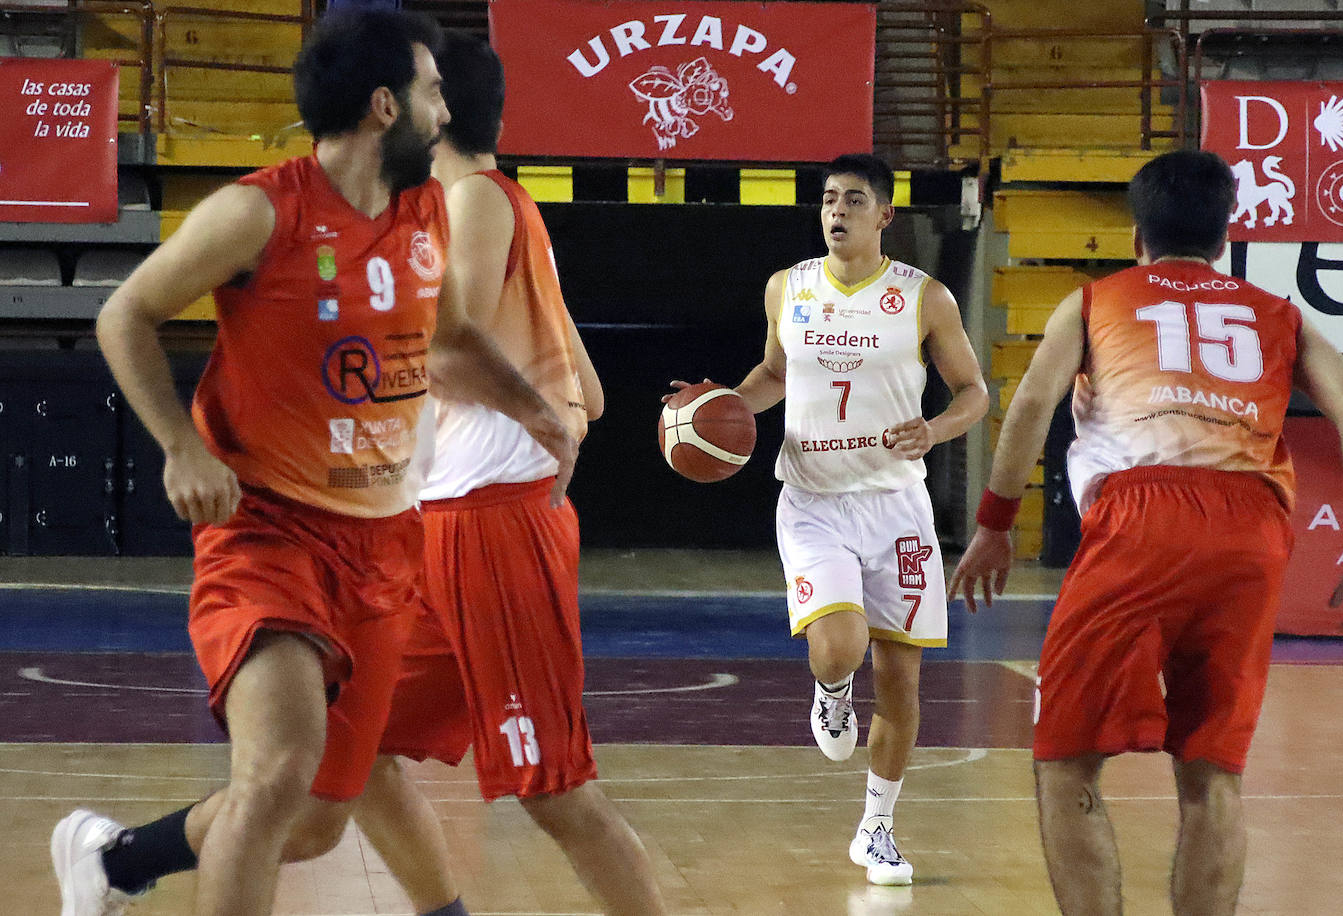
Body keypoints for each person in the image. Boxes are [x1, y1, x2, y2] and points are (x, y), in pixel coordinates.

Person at [49, 12, 575, 916]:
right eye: (431, 91)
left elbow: (449, 335)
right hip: (267, 532)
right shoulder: (258, 211)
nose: (446, 112)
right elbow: (123, 315)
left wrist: (539, 414)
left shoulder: (422, 215)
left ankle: (115, 862)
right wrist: (182, 446)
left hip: (382, 547)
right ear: (384, 107)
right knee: (278, 772)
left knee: (319, 819)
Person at [948, 149, 1343, 915]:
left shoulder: (1095, 301)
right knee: (1214, 772)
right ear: (1224, 237)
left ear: (1137, 237)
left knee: (1065, 760)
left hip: (1141, 516)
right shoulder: (1277, 313)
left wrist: (995, 524)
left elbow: (1030, 407)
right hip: (1252, 527)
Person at [350, 32, 667, 916]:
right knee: (352, 737)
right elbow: (592, 394)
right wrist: (551, 404)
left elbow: (448, 356)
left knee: (552, 785)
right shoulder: (501, 205)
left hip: (493, 519)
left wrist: (363, 352)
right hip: (451, 522)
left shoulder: (475, 203)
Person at [668, 153, 988, 885]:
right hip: (814, 501)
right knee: (839, 649)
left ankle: (877, 827)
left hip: (898, 507)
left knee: (903, 682)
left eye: (852, 200)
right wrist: (716, 408)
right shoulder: (790, 287)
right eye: (826, 200)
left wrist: (934, 431)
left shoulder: (923, 298)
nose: (835, 211)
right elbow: (774, 375)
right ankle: (832, 690)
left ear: (885, 216)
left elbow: (974, 391)